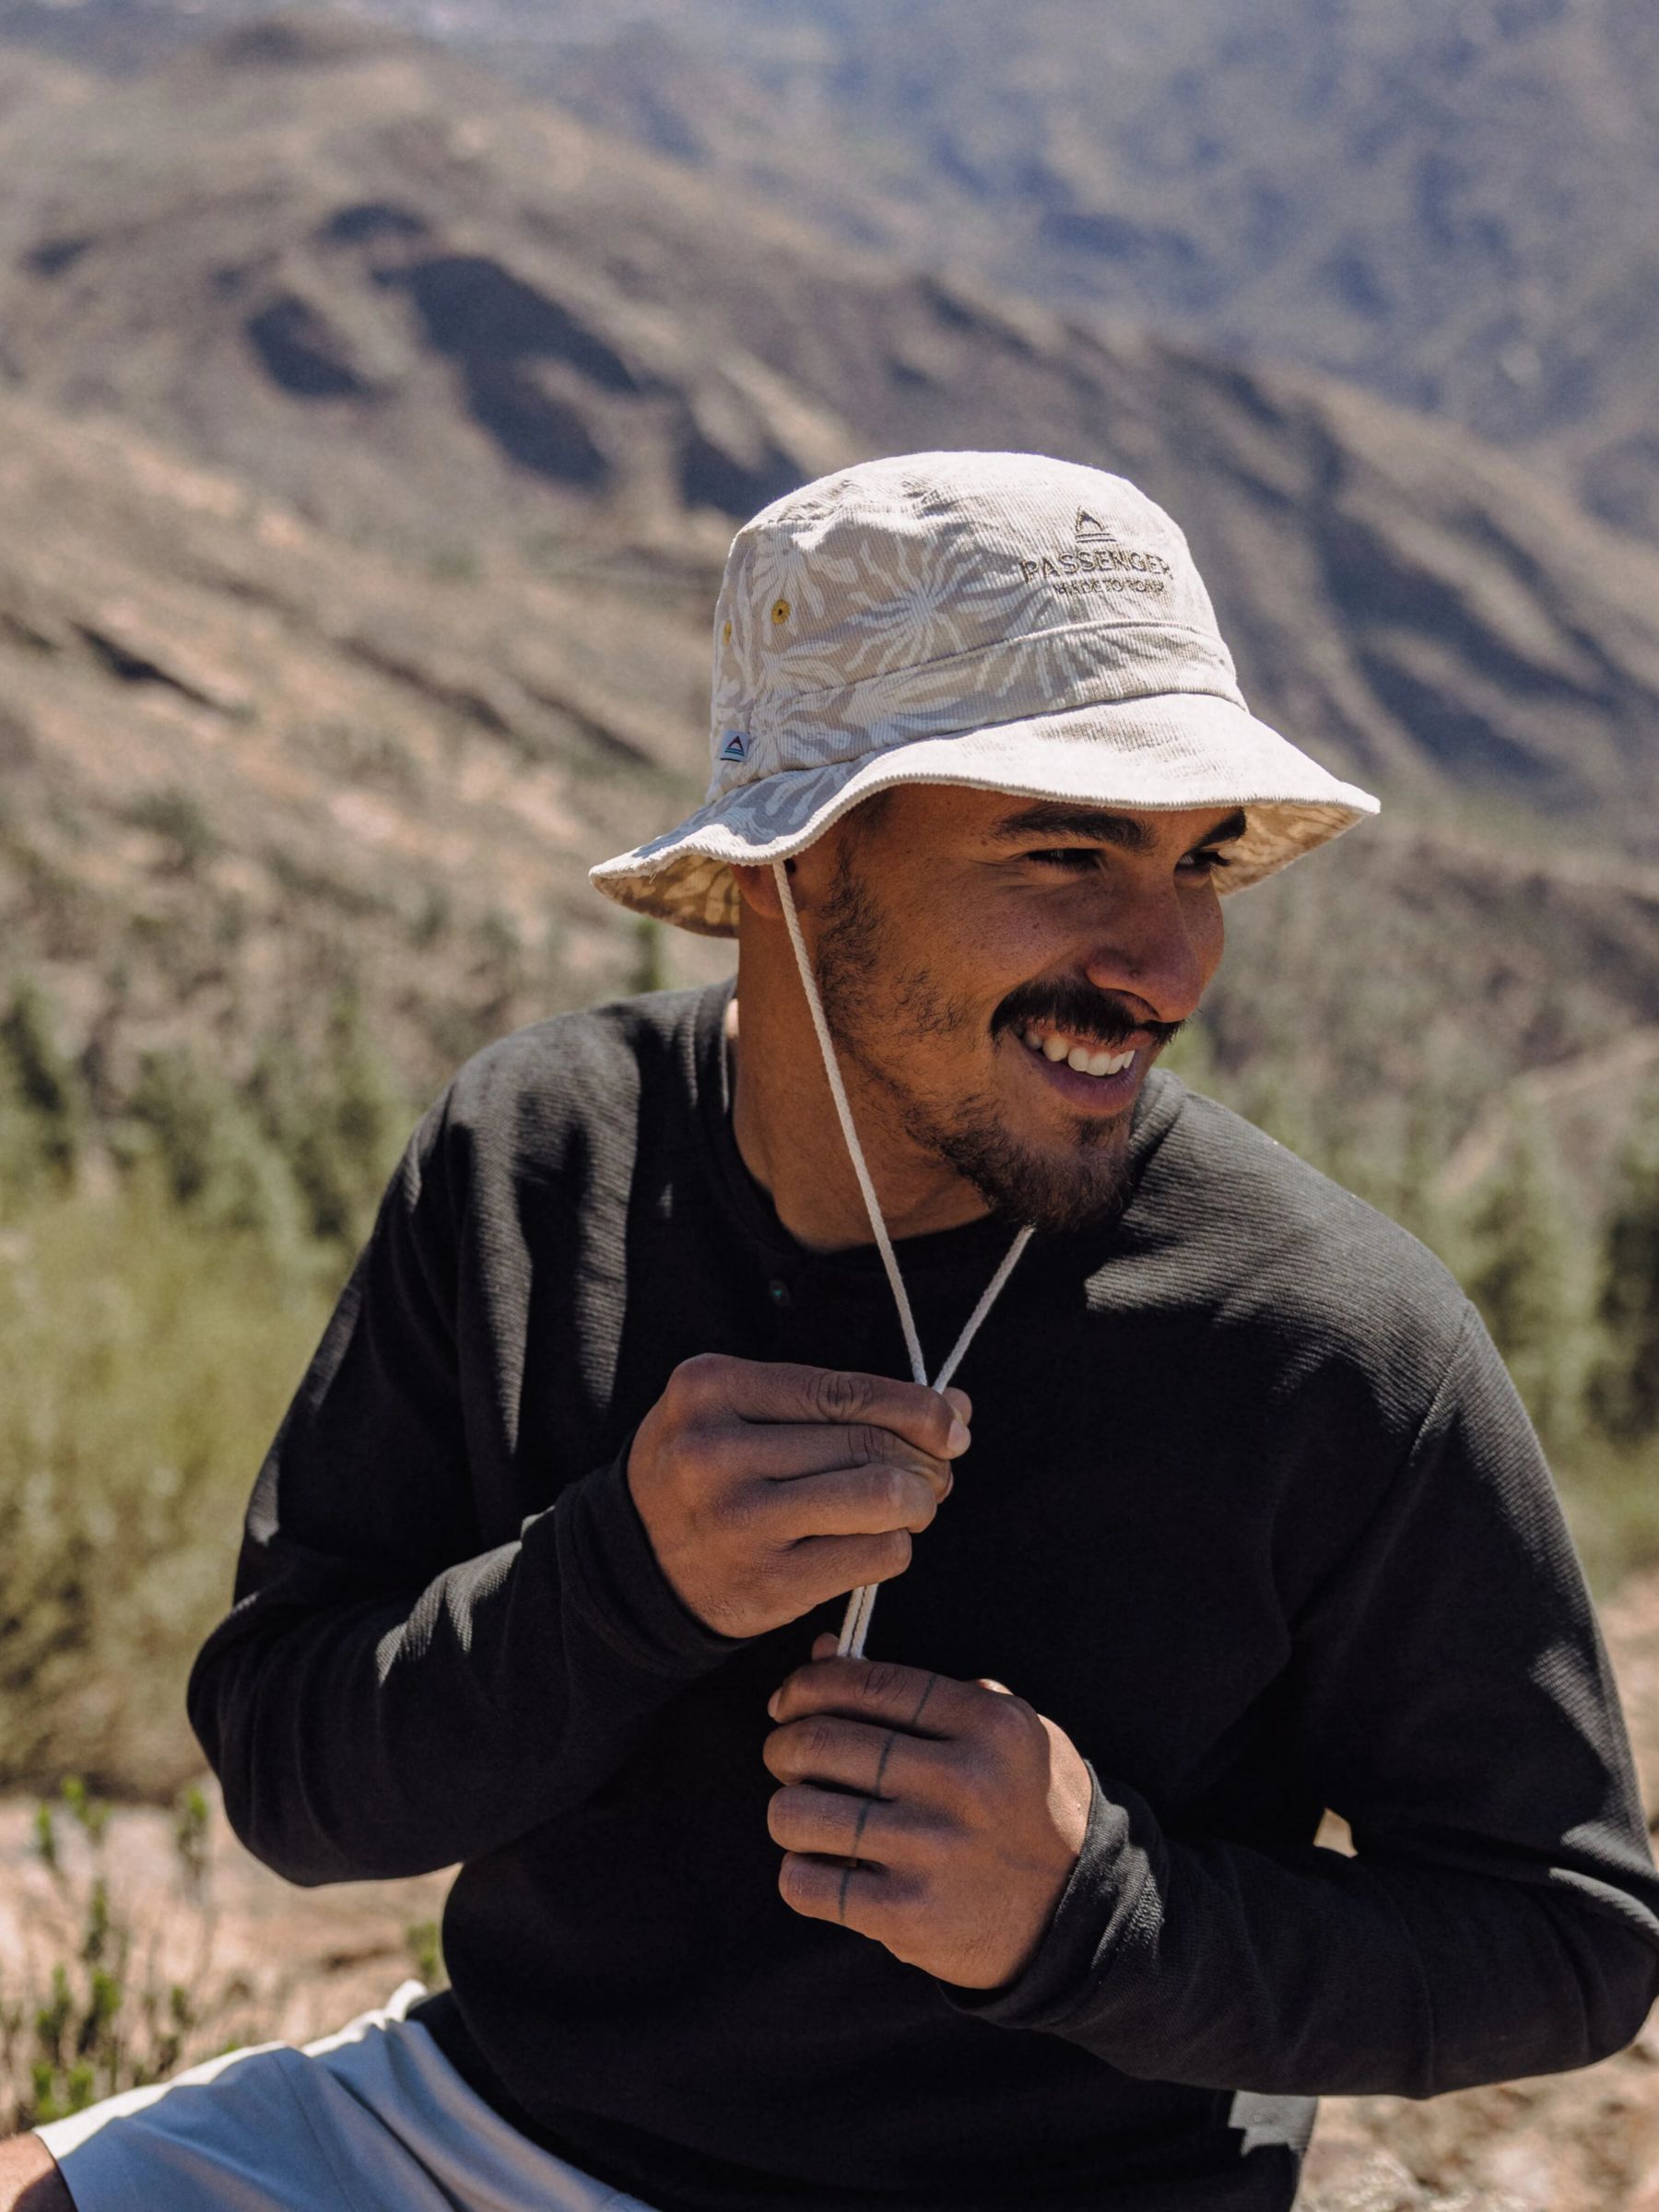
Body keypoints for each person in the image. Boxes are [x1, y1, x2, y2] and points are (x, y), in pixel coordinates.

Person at [6, 450, 1658, 2212]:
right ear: (799, 865)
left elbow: (1564, 1946)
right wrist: (622, 1581)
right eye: (1065, 851)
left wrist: (1096, 1911)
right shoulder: (540, 1150)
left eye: (1198, 866)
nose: (1168, 964)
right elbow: (289, 1775)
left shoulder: (1330, 1338)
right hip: (477, 2130)